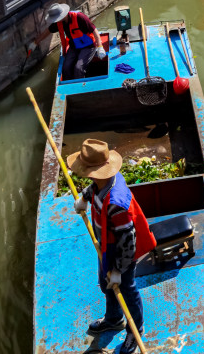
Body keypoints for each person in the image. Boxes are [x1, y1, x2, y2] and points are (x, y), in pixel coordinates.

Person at [68, 139, 157, 354]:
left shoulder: (118, 205)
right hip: (106, 247)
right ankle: (114, 319)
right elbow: (94, 187)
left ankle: (134, 330)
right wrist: (84, 198)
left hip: (122, 254)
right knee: (105, 283)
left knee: (126, 289)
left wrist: (118, 270)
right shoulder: (103, 181)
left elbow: (128, 243)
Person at [29, 3, 105, 81]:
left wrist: (100, 47)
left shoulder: (79, 17)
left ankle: (79, 88)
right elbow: (48, 31)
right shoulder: (59, 23)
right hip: (74, 47)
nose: (56, 21)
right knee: (66, 67)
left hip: (88, 46)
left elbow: (94, 30)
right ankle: (68, 85)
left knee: (78, 68)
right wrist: (35, 42)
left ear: (64, 15)